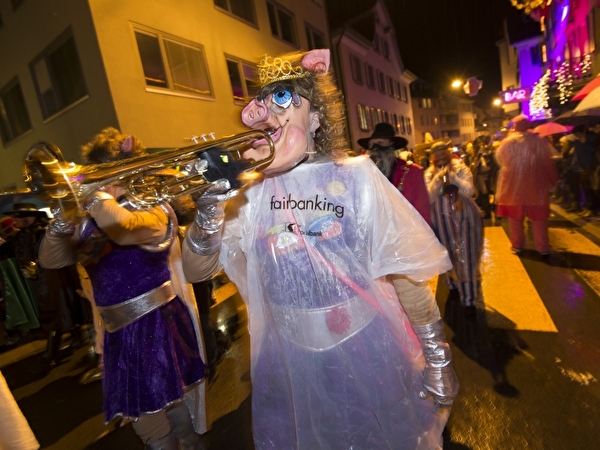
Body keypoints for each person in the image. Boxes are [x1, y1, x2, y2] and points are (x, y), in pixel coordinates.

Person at [182, 49, 458, 449]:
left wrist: (438, 358)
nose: (267, 116)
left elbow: (405, 274)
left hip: (367, 351)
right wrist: (209, 209)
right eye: (263, 103)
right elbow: (195, 272)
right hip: (290, 362)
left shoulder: (359, 177)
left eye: (283, 100)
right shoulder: (249, 191)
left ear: (315, 119)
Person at [37, 131, 208, 450]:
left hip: (155, 323)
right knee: (161, 406)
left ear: (129, 173)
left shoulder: (153, 208)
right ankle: (192, 442)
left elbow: (126, 231)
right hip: (119, 331)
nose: (98, 184)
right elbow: (51, 259)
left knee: (153, 415)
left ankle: (189, 441)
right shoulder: (92, 217)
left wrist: (92, 195)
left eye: (106, 175)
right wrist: (62, 219)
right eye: (96, 175)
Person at [4, 203, 88, 373]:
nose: (17, 219)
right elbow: (7, 251)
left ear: (34, 216)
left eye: (22, 215)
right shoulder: (20, 236)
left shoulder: (45, 231)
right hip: (40, 283)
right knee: (62, 312)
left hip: (55, 280)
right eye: (16, 216)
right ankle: (78, 336)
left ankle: (51, 355)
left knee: (54, 315)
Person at [424, 141, 484, 315]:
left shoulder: (461, 168)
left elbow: (470, 190)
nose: (441, 157)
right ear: (432, 159)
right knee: (446, 255)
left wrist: (454, 178)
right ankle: (452, 284)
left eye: (444, 153)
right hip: (441, 222)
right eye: (437, 155)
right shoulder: (428, 174)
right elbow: (427, 197)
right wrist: (437, 179)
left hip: (466, 219)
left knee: (468, 256)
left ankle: (469, 300)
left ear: (450, 154)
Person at [494, 115, 559, 256]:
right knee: (539, 217)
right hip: (535, 185)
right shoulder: (538, 141)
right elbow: (548, 162)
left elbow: (501, 163)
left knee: (515, 217)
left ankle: (517, 244)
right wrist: (553, 180)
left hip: (512, 186)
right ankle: (543, 247)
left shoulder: (507, 142)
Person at [358, 122, 432, 226]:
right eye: (371, 144)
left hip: (408, 235)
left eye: (380, 143)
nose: (375, 148)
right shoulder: (364, 175)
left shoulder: (412, 172)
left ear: (391, 145)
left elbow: (423, 215)